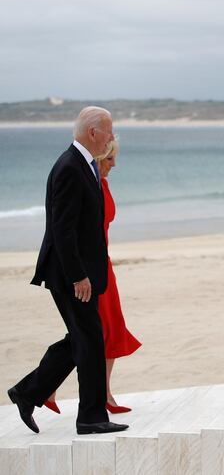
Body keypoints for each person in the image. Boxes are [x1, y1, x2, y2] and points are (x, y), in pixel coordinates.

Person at [6, 106, 129, 435]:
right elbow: (62, 229)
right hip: (70, 274)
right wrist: (78, 276)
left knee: (83, 338)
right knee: (89, 339)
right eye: (109, 132)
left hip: (80, 271)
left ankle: (28, 392)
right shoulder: (69, 167)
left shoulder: (84, 165)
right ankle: (89, 417)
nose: (111, 138)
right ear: (93, 133)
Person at [43, 140, 141, 415]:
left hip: (102, 265)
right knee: (93, 333)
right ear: (99, 158)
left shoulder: (101, 184)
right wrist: (78, 273)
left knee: (108, 330)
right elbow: (66, 228)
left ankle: (97, 393)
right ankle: (40, 388)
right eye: (110, 159)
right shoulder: (84, 181)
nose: (114, 164)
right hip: (89, 270)